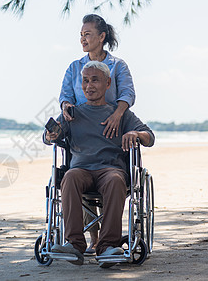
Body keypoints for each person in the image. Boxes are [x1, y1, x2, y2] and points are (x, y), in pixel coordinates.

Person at [44, 61, 154, 266]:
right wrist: (51, 135)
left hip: (110, 170)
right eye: (85, 81)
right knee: (69, 176)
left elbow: (150, 137)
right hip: (81, 170)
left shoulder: (120, 114)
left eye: (95, 80)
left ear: (107, 83)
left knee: (114, 180)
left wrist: (135, 133)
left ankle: (107, 247)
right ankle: (75, 245)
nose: (89, 85)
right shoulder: (72, 113)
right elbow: (50, 137)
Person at [59, 14, 136, 252]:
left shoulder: (117, 65)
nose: (83, 38)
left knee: (111, 177)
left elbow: (127, 93)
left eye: (87, 34)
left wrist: (117, 114)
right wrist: (66, 110)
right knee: (78, 173)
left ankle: (106, 242)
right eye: (81, 34)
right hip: (82, 128)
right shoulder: (75, 67)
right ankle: (90, 240)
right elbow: (65, 97)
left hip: (111, 125)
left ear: (101, 37)